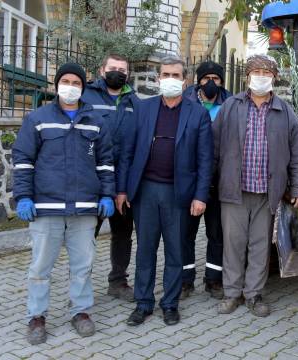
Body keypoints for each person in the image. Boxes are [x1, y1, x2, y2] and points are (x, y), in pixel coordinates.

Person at [13, 62, 115, 344]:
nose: (71, 86)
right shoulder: (38, 118)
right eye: (66, 81)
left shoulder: (95, 121)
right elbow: (23, 162)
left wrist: (106, 194)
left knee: (83, 265)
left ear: (83, 88)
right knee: (40, 267)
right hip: (47, 208)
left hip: (84, 210)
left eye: (77, 82)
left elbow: (106, 162)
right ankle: (36, 317)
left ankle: (80, 312)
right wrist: (23, 197)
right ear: (57, 84)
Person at [116, 56, 213, 327]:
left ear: (185, 81)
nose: (170, 80)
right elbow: (128, 152)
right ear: (158, 78)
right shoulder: (143, 109)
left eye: (176, 75)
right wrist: (122, 190)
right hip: (145, 191)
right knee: (145, 250)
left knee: (175, 252)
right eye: (165, 75)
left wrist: (200, 196)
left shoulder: (198, 113)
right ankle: (143, 303)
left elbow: (205, 159)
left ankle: (170, 303)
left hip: (178, 194)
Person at [213, 54, 298, 317]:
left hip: (268, 193)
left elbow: (297, 154)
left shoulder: (285, 112)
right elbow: (214, 147)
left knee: (260, 246)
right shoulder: (230, 106)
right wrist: (209, 185)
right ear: (247, 76)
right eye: (256, 71)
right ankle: (231, 293)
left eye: (267, 72)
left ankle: (253, 295)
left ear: (274, 78)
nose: (261, 76)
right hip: (234, 191)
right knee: (233, 244)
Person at [82, 53, 140, 302]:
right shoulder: (86, 96)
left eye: (122, 69)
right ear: (102, 69)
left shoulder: (134, 101)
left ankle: (118, 281)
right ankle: (81, 284)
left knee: (123, 234)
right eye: (113, 68)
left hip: (122, 182)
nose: (118, 72)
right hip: (91, 181)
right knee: (85, 236)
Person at [180, 60, 232, 300]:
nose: (211, 83)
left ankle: (214, 280)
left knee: (217, 234)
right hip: (190, 179)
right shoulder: (184, 101)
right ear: (198, 80)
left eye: (216, 78)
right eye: (206, 78)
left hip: (219, 179)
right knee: (185, 233)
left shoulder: (231, 104)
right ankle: (184, 280)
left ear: (222, 82)